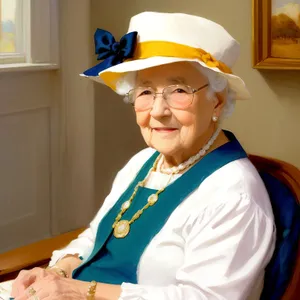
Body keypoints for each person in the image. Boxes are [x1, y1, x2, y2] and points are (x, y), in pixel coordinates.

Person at [10, 11, 276, 300]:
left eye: (178, 90)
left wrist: (77, 290)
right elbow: (97, 237)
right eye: (146, 91)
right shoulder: (144, 161)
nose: (158, 111)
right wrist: (58, 272)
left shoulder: (235, 196)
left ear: (217, 101)